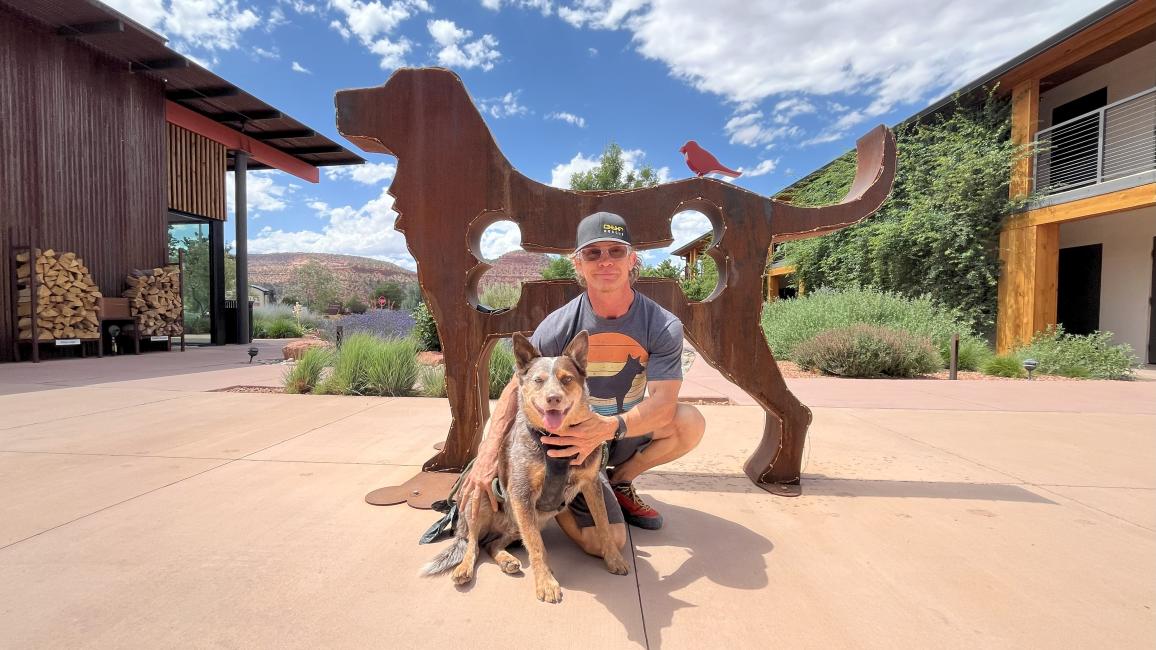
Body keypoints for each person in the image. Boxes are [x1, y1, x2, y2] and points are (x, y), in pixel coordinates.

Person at [459, 212, 706, 556]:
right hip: (568, 441)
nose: (605, 261)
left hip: (619, 430)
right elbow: (518, 387)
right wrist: (487, 455)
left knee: (689, 421)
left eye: (615, 251)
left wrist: (607, 428)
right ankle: (563, 492)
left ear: (632, 259)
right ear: (578, 264)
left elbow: (664, 404)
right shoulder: (558, 325)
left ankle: (619, 480)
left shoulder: (662, 325)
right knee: (607, 543)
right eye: (593, 253)